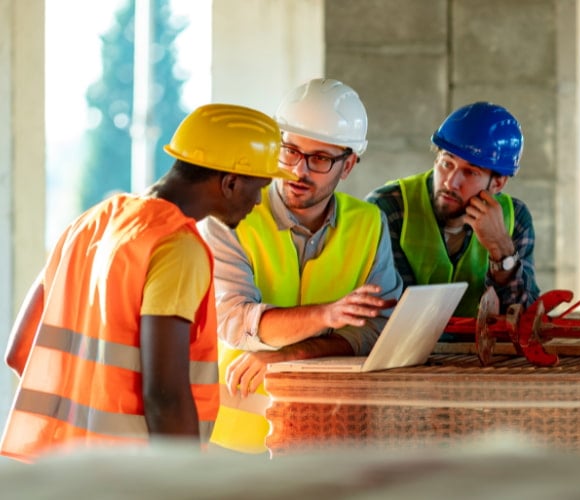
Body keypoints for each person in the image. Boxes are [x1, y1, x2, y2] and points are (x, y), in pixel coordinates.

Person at [0, 103, 296, 463]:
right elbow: (166, 396)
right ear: (231, 182)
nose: (259, 200)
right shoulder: (177, 246)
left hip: (59, 470)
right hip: (127, 477)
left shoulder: (89, 224)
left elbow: (20, 352)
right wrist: (183, 482)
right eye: (260, 185)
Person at [198, 78, 402, 454]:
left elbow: (377, 332)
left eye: (320, 158)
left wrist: (291, 355)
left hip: (328, 436)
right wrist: (327, 317)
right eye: (289, 150)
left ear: (349, 164)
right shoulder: (229, 217)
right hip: (234, 437)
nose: (298, 170)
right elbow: (234, 323)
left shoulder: (368, 223)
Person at [365, 101, 540, 325]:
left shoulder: (515, 219)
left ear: (497, 183)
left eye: (470, 172)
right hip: (404, 357)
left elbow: (525, 322)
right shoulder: (388, 209)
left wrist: (502, 251)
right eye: (447, 164)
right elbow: (389, 313)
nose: (450, 182)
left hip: (484, 358)